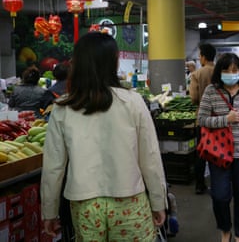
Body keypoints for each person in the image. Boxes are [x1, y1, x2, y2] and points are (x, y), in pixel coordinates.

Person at [40, 32, 167, 241]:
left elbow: (53, 167)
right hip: (130, 199)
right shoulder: (133, 102)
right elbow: (150, 157)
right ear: (114, 62)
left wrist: (49, 211)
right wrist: (158, 202)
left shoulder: (63, 107)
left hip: (84, 205)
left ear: (77, 63)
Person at [198, 53, 239, 242]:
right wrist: (225, 119)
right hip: (219, 153)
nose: (230, 73)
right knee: (219, 195)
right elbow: (201, 119)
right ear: (219, 72)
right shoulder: (211, 91)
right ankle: (225, 229)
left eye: (234, 70)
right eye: (226, 70)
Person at [189, 43, 216, 195]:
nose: (199, 58)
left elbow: (193, 98)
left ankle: (200, 184)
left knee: (201, 152)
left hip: (202, 118)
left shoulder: (197, 74)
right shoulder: (221, 71)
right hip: (220, 118)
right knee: (217, 150)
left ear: (204, 57)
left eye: (200, 56)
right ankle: (218, 181)